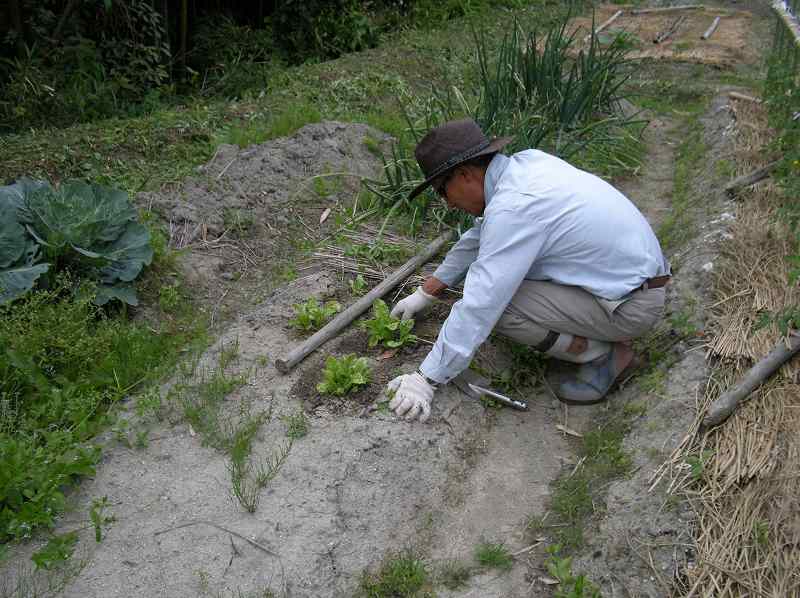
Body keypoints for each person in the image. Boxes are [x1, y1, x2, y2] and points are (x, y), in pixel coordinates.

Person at [385, 118, 670, 422]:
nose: (448, 204)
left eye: (443, 191)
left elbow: (481, 303)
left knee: (501, 305)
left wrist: (426, 378)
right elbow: (480, 237)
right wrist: (426, 292)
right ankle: (592, 343)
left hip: (630, 307)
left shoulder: (516, 206)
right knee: (502, 284)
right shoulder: (526, 166)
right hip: (631, 285)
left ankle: (604, 355)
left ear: (465, 174)